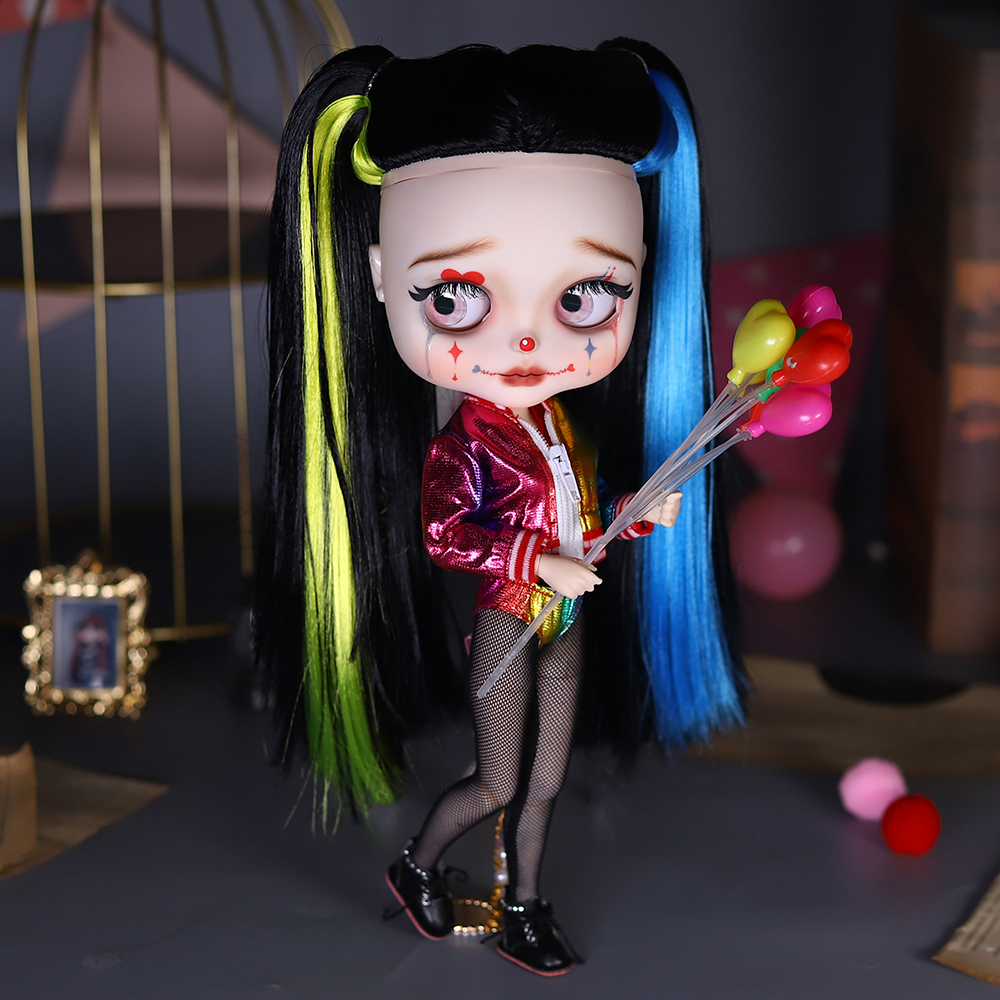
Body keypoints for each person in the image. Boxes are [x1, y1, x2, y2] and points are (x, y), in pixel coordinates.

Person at [255, 38, 745, 977]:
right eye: (455, 296)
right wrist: (538, 562)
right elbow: (448, 534)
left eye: (587, 294)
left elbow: (576, 512)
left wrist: (636, 513)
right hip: (509, 622)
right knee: (494, 780)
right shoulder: (465, 446)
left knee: (545, 780)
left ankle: (524, 905)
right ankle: (417, 866)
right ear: (378, 276)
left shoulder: (559, 426)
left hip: (559, 622)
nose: (526, 340)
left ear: (642, 271)